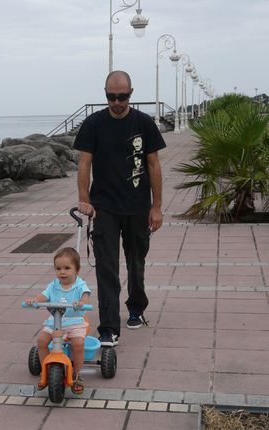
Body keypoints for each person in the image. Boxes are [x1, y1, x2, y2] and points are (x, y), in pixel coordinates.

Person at [74, 70, 166, 347]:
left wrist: (157, 207)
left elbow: (153, 165)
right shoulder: (93, 124)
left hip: (138, 207)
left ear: (131, 93)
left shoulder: (144, 123)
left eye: (122, 97)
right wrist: (84, 200)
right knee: (106, 268)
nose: (117, 102)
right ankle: (109, 327)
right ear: (105, 95)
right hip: (104, 208)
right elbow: (84, 164)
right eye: (111, 97)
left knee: (136, 264)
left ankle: (136, 307)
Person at [25, 247, 91, 394]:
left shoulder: (80, 285)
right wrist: (35, 301)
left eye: (67, 268)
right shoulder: (53, 285)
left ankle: (77, 374)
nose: (62, 272)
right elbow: (43, 296)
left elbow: (85, 297)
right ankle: (45, 371)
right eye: (58, 268)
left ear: (77, 269)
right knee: (41, 340)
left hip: (75, 321)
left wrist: (81, 302)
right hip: (55, 321)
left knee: (78, 344)